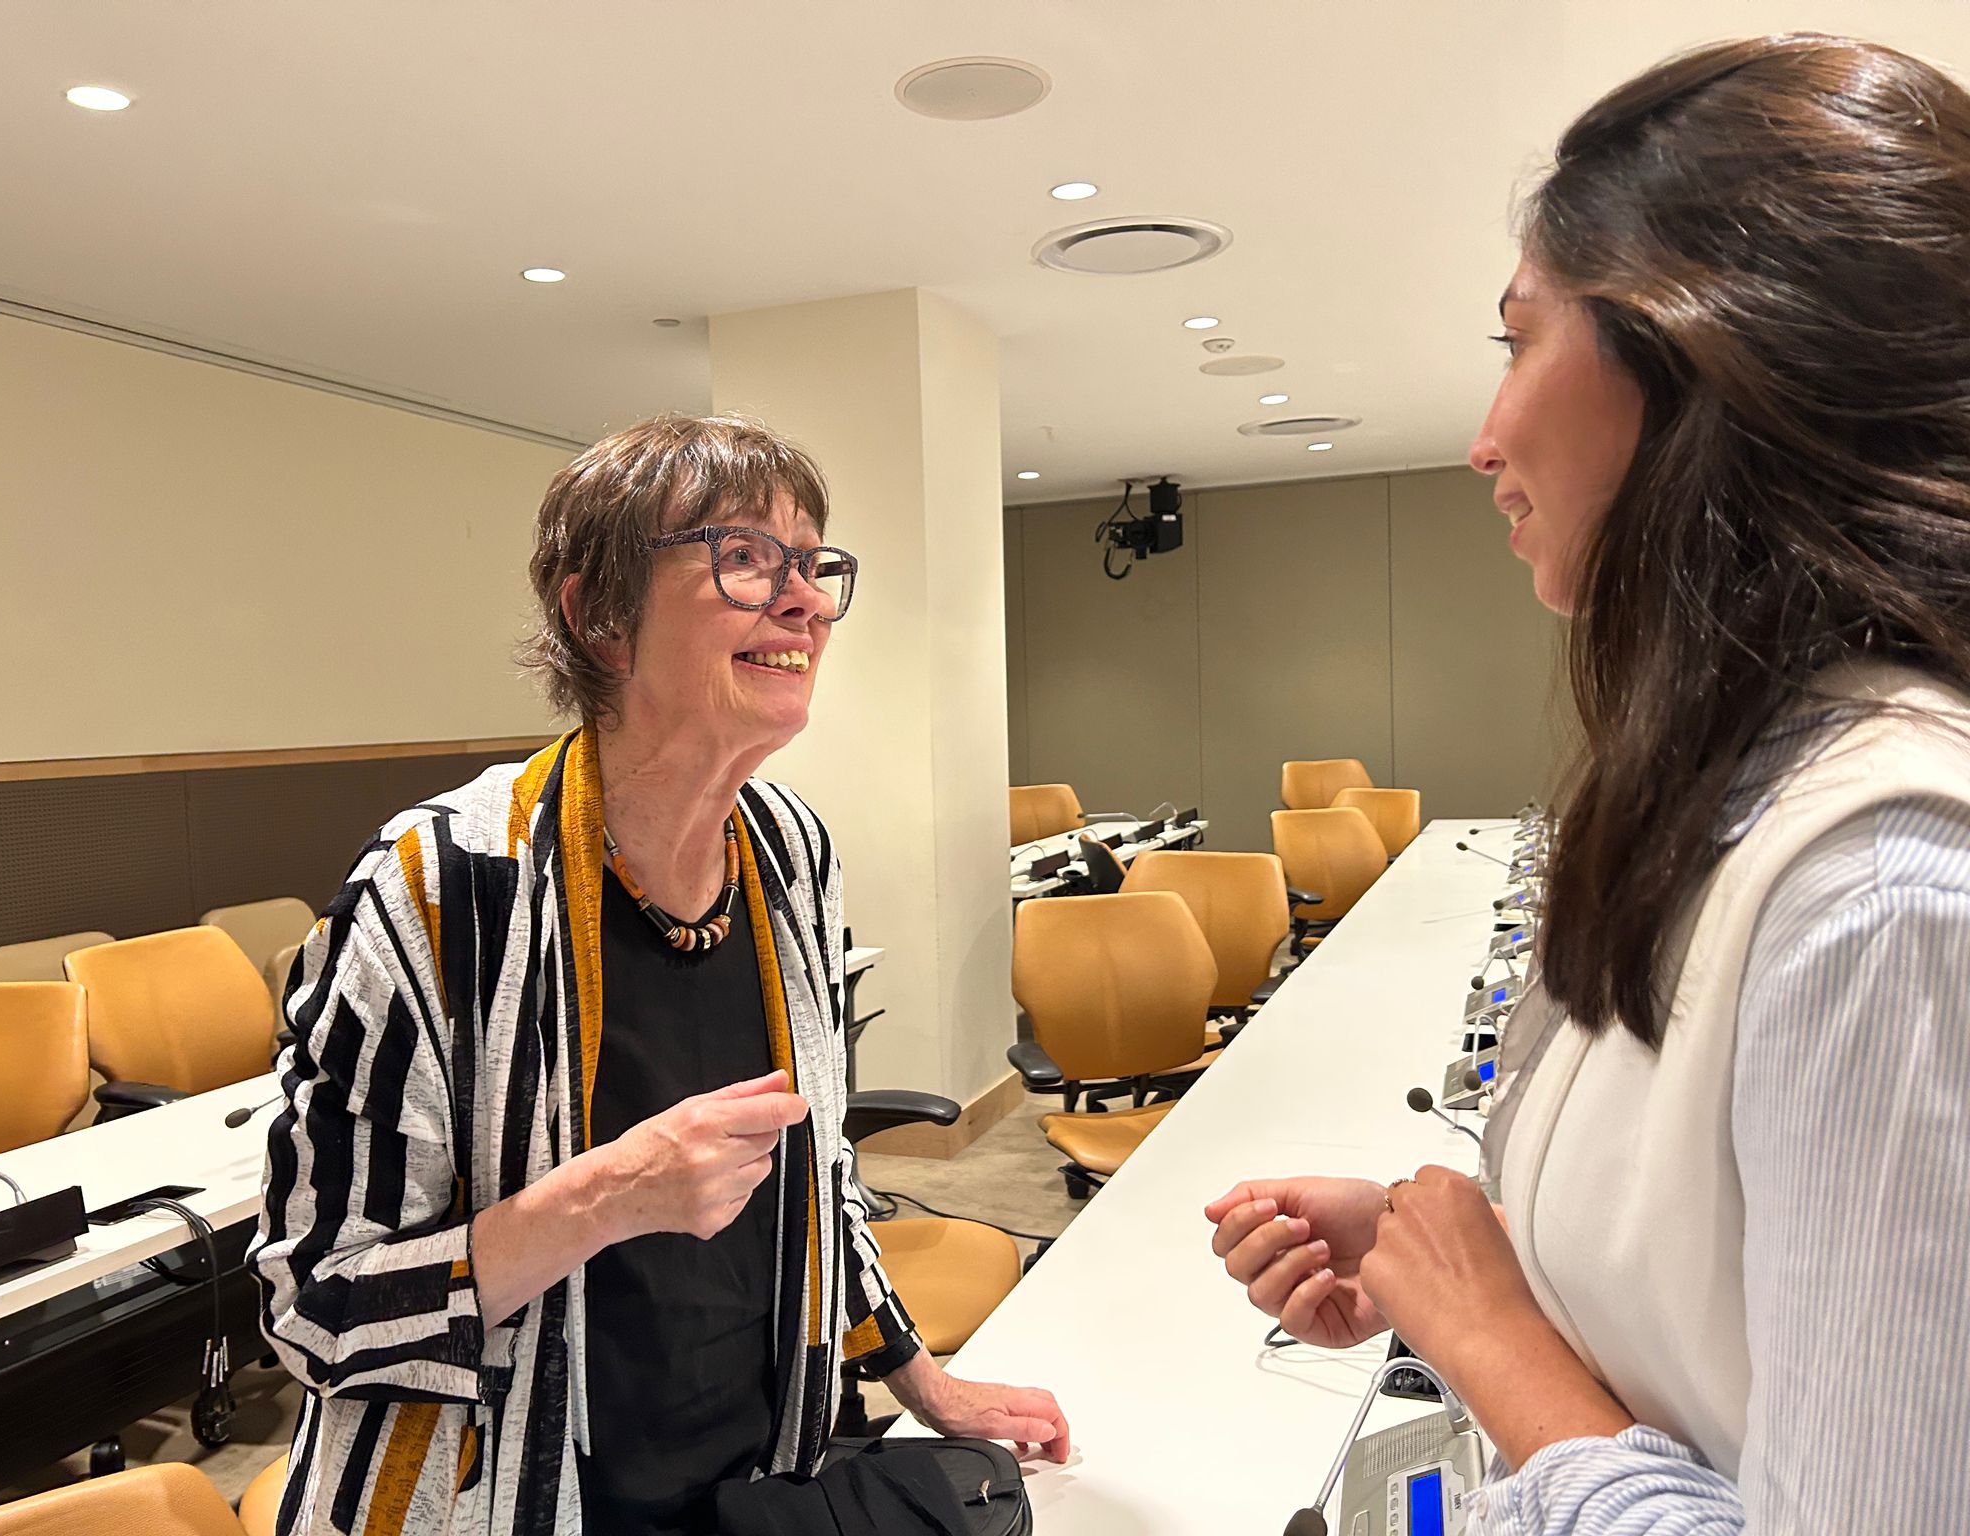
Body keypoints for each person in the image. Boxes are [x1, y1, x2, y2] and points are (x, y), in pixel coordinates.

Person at [1207, 34, 1970, 1533]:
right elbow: (1726, 1336)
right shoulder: (1760, 804)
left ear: (1694, 349)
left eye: (1515, 341)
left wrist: (1492, 1338)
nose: (1487, 440)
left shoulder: (1885, 893)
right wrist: (1488, 1266)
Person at [250, 414, 1068, 1536]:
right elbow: (316, 1306)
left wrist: (920, 1379)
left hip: (750, 1486)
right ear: (600, 617)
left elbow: (817, 1180)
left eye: (814, 564)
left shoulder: (789, 853)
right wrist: (600, 1200)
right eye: (743, 558)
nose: (807, 602)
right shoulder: (440, 889)